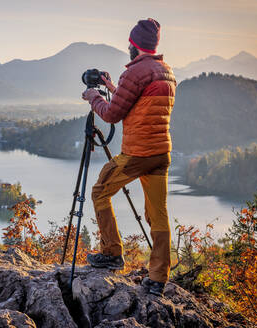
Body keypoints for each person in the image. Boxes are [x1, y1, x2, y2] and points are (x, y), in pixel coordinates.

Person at [81, 18, 176, 297]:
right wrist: (113, 87)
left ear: (134, 45)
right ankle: (158, 278)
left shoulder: (135, 72)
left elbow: (112, 114)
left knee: (100, 192)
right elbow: (140, 103)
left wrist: (92, 97)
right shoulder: (166, 71)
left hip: (138, 153)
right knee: (158, 215)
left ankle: (112, 253)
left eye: (129, 44)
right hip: (161, 153)